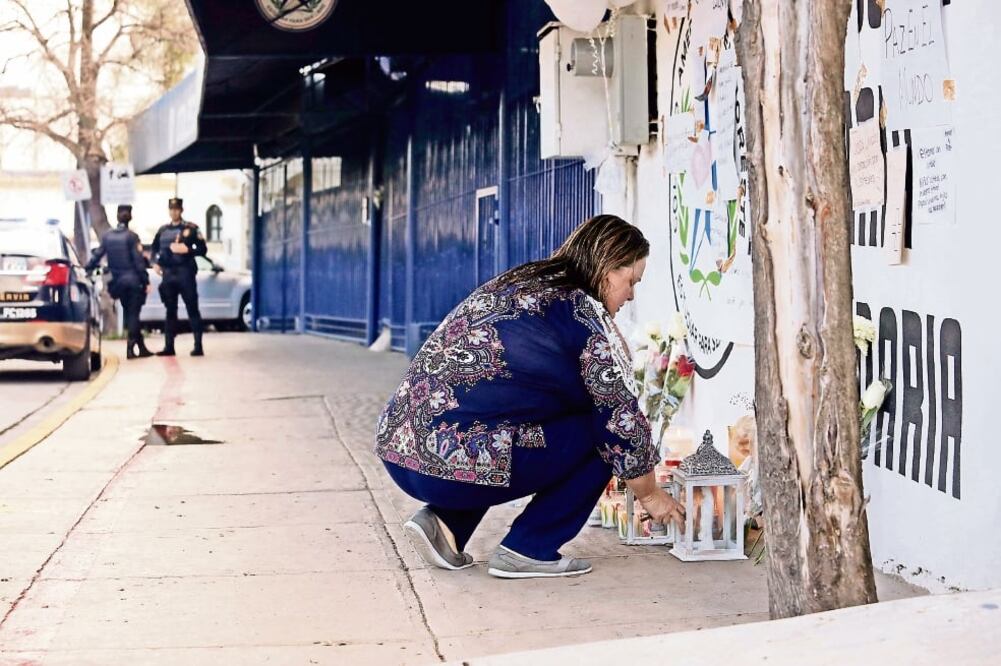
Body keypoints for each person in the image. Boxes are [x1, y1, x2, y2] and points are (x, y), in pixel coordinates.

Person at [376, 215, 686, 579]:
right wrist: (650, 495)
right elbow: (620, 419)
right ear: (607, 269)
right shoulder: (580, 311)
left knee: (501, 422)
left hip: (399, 449)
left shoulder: (521, 284)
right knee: (600, 433)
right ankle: (530, 547)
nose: (631, 295)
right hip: (447, 469)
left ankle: (444, 524)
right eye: (631, 281)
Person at [86, 205, 153, 360]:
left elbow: (97, 255)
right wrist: (146, 280)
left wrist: (86, 268)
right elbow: (138, 262)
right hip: (134, 282)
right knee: (134, 315)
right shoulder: (132, 237)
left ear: (117, 217)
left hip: (118, 283)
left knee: (130, 314)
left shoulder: (108, 236)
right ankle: (130, 348)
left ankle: (141, 347)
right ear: (130, 217)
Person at [150, 198, 207, 357]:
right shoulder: (163, 230)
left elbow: (203, 249)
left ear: (181, 210)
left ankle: (198, 346)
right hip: (168, 275)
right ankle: (169, 346)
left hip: (185, 273)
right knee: (170, 311)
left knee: (192, 309)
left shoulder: (191, 228)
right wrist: (155, 263)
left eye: (176, 209)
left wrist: (188, 250)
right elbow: (154, 249)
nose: (174, 212)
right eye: (171, 209)